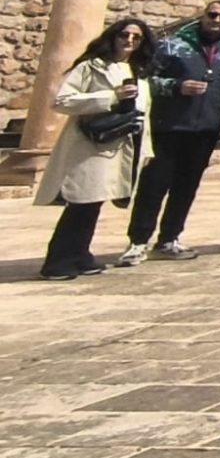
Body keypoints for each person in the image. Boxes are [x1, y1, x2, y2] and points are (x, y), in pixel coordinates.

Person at [119, 0, 220, 265]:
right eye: (213, 14)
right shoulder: (171, 45)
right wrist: (176, 86)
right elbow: (144, 80)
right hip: (168, 126)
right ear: (204, 15)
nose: (217, 20)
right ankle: (138, 241)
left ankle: (169, 238)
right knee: (153, 186)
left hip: (205, 130)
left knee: (186, 188)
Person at [38, 18, 154, 280]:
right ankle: (58, 260)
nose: (129, 41)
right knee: (81, 202)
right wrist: (111, 97)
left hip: (121, 147)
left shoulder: (138, 72)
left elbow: (143, 115)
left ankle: (80, 254)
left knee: (95, 203)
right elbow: (63, 101)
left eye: (136, 37)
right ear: (113, 37)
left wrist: (146, 150)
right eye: (124, 35)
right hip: (90, 145)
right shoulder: (91, 67)